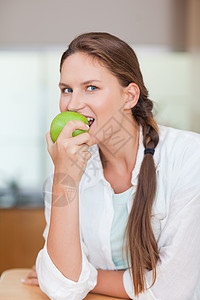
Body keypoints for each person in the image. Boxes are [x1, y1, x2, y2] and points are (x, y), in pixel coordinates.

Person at [22, 32, 200, 299]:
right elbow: (64, 288)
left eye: (91, 87)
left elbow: (172, 290)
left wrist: (88, 277)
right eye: (66, 90)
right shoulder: (67, 164)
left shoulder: (189, 156)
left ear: (129, 97)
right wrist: (64, 178)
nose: (72, 104)